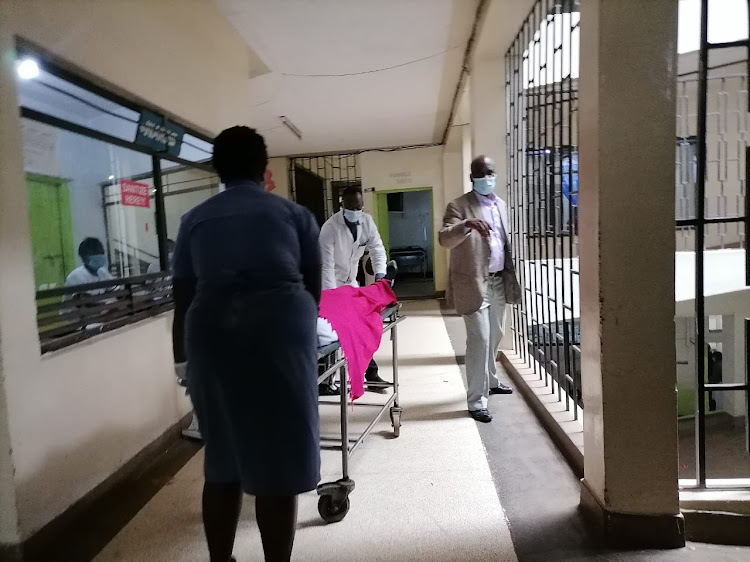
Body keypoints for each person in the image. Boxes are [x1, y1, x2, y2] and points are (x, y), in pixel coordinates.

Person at [172, 126, 320, 562]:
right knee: (279, 462)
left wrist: (183, 361)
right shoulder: (295, 216)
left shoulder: (194, 220)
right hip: (280, 333)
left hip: (212, 334)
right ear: (264, 167)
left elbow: (183, 297)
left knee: (222, 454)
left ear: (217, 168)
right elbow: (314, 292)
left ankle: (221, 560)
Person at [438, 155, 522, 423]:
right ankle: (476, 401)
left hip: (498, 280)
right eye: (481, 174)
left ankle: (491, 381)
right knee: (480, 340)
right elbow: (444, 238)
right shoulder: (459, 206)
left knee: (495, 334)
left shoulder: (501, 206)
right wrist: (466, 225)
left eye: (491, 173)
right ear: (472, 177)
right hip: (473, 283)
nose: (487, 178)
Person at [318, 186, 390, 395]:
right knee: (335, 330)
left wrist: (381, 277)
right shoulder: (330, 228)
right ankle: (325, 381)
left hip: (351, 283)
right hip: (330, 284)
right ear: (342, 205)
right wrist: (332, 299)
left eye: (357, 206)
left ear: (362, 205)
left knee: (360, 327)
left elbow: (377, 249)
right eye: (350, 206)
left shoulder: (366, 222)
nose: (354, 209)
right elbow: (327, 266)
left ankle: (370, 374)